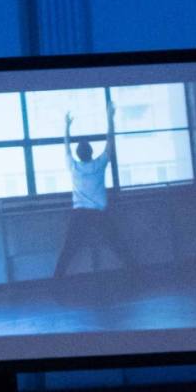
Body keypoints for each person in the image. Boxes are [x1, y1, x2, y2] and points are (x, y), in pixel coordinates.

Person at [52, 103, 136, 278]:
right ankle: (134, 273)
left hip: (80, 213)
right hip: (99, 213)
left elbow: (66, 147)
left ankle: (57, 279)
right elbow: (109, 142)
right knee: (117, 243)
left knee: (69, 248)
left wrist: (66, 127)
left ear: (79, 154)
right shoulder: (99, 164)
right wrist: (110, 118)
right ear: (91, 152)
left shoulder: (74, 167)